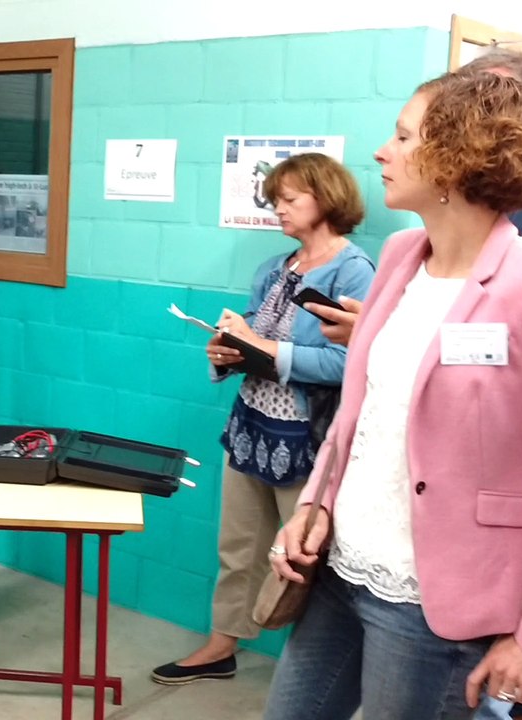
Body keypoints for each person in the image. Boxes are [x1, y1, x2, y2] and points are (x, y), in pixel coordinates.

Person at [262, 71, 522, 720]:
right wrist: (314, 504)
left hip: (436, 602)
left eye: (402, 136)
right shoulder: (399, 254)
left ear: (459, 156)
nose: (381, 151)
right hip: (340, 568)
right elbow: (360, 416)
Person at [150, 153, 374, 685]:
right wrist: (227, 350)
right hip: (250, 426)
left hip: (306, 440)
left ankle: (316, 671)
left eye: (290, 198)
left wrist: (270, 351)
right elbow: (255, 331)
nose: (278, 209)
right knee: (239, 548)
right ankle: (221, 645)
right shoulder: (275, 267)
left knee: (306, 564)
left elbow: (352, 362)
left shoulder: (355, 271)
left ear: (327, 198)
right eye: (275, 199)